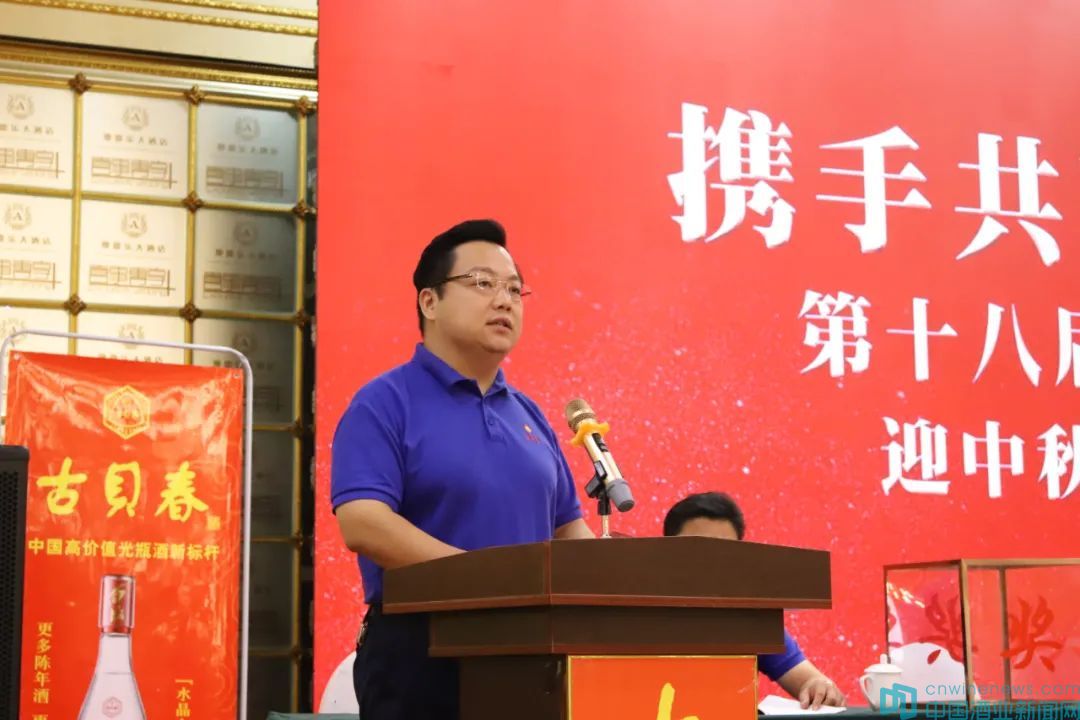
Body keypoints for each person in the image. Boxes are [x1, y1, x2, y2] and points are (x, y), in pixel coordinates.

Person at [330, 219, 593, 720]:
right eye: (482, 283)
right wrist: (481, 579)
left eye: (514, 289)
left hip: (530, 650)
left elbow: (567, 529)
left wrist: (614, 580)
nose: (504, 301)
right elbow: (363, 522)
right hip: (423, 651)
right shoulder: (385, 402)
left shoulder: (529, 415)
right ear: (429, 302)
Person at [662, 491, 846, 710]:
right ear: (665, 550)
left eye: (724, 552)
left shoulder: (749, 620)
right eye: (697, 550)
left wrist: (819, 687)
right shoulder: (634, 613)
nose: (710, 564)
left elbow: (809, 680)